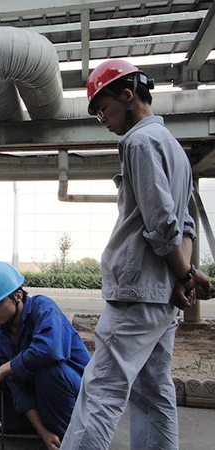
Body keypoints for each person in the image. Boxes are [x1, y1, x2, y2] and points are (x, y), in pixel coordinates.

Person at [60, 60, 212, 450]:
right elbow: (186, 227)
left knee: (100, 393)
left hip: (135, 294)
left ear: (127, 95)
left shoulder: (138, 142)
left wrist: (183, 275)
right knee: (153, 393)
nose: (103, 120)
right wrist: (184, 274)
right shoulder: (176, 150)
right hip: (161, 300)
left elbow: (161, 224)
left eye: (104, 109)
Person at [0, 261, 90, 450]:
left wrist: (6, 368)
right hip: (43, 396)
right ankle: (24, 433)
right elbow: (17, 390)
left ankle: (71, 440)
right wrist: (43, 433)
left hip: (80, 394)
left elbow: (51, 350)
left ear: (18, 296)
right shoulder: (0, 335)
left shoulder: (44, 308)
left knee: (50, 371)